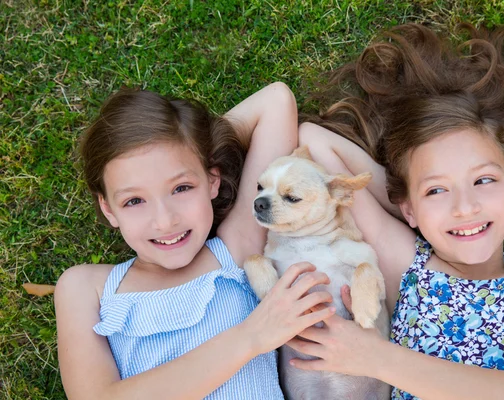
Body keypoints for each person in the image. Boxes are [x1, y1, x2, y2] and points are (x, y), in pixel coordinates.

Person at [293, 23, 504, 399]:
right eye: (439, 190)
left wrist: (377, 359)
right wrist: (415, 204)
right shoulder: (406, 266)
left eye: (484, 181)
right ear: (408, 210)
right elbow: (315, 142)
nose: (464, 207)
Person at [54, 82, 336, 399]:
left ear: (212, 181)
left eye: (181, 188)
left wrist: (188, 143)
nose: (164, 220)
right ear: (108, 208)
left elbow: (276, 102)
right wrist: (251, 337)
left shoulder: (235, 249)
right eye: (134, 201)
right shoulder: (85, 287)